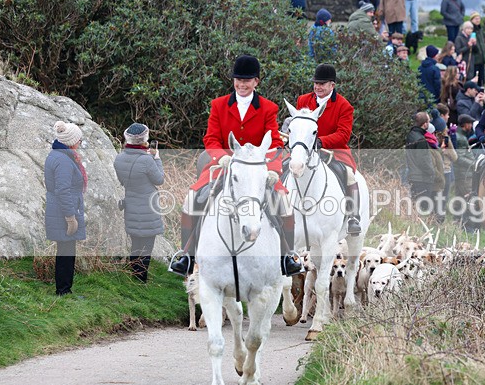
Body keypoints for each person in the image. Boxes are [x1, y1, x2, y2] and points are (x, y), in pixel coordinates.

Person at [169, 55, 301, 277]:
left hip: (258, 167)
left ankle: (287, 257)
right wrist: (221, 156)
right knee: (192, 198)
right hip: (224, 165)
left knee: (284, 202)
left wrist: (273, 169)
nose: (241, 84)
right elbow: (211, 138)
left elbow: (275, 142)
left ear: (256, 82)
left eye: (247, 80)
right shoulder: (218, 105)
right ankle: (187, 255)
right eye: (238, 79)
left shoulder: (268, 108)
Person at [295, 64, 362, 235]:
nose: (318, 87)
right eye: (316, 83)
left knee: (349, 175)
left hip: (334, 150)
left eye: (322, 84)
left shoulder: (344, 106)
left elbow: (343, 135)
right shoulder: (303, 100)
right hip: (306, 149)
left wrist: (321, 141)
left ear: (332, 85)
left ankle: (353, 217)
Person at [113, 123, 164, 283]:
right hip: (148, 209)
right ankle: (141, 280)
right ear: (144, 139)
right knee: (146, 248)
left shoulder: (119, 159)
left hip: (131, 206)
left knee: (135, 244)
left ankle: (134, 277)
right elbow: (159, 179)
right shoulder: (147, 160)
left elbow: (122, 181)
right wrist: (157, 159)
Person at [45, 121, 87, 296]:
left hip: (59, 210)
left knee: (65, 250)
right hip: (63, 212)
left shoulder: (59, 155)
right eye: (79, 140)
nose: (80, 143)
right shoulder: (63, 160)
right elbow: (63, 190)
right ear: (71, 141)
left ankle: (64, 289)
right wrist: (70, 217)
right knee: (66, 252)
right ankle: (63, 291)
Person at [406, 111, 436, 200]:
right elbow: (423, 160)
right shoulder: (421, 140)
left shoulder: (411, 135)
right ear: (424, 124)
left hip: (413, 176)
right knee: (423, 208)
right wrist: (432, 172)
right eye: (429, 122)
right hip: (422, 179)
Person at [467, 12, 485, 86]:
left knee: (482, 79)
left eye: (479, 18)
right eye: (476, 19)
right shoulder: (471, 30)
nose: (478, 20)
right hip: (475, 59)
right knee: (476, 78)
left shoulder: (480, 30)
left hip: (482, 58)